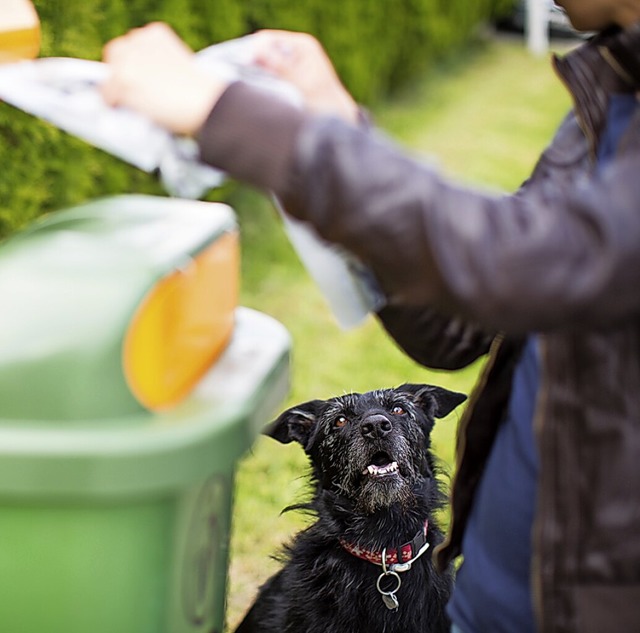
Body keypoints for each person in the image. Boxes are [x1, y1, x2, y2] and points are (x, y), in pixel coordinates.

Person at [101, 1, 640, 631]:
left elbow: (516, 262)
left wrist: (230, 116)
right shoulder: (605, 97)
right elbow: (456, 324)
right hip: (492, 586)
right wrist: (333, 116)